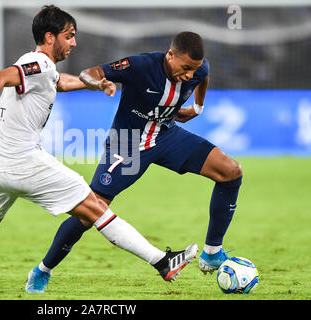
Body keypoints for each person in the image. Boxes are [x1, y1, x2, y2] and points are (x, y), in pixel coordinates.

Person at [0, 6, 198, 293]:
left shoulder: (40, 68)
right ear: (50, 37)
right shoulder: (39, 63)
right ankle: (162, 262)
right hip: (24, 162)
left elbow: (58, 83)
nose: (74, 42)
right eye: (69, 35)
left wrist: (94, 84)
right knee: (96, 207)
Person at [26, 31, 243, 293]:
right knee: (89, 211)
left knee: (231, 171)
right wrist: (98, 84)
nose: (189, 75)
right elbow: (89, 72)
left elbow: (203, 76)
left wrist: (197, 108)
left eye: (193, 69)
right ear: (170, 55)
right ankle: (43, 270)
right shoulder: (141, 66)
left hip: (166, 135)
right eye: (185, 68)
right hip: (126, 144)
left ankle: (211, 253)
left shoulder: (198, 68)